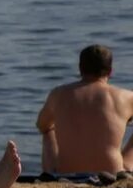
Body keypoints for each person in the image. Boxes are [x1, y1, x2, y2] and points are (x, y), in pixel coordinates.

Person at [34, 44, 133, 176]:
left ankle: (51, 172)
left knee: (47, 130)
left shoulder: (58, 94)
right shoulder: (126, 97)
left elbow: (41, 125)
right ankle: (126, 168)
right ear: (110, 71)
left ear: (80, 68)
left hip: (66, 173)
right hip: (112, 173)